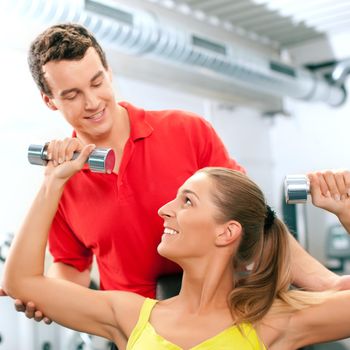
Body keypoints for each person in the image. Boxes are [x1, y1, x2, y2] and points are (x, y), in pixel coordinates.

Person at [4, 23, 350, 329]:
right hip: (133, 328)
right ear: (50, 101)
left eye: (97, 82)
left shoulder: (187, 131)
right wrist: (47, 297)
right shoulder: (60, 183)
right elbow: (71, 267)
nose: (92, 102)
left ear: (109, 72)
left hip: (220, 320)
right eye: (73, 95)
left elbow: (255, 219)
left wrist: (323, 282)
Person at [3, 153, 350, 349]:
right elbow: (21, 281)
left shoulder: (273, 321)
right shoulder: (130, 314)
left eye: (186, 200)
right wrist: (53, 181)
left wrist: (346, 212)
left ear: (226, 232)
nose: (164, 210)